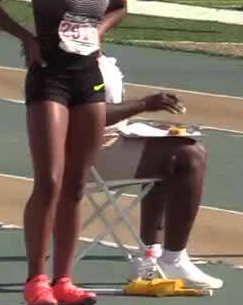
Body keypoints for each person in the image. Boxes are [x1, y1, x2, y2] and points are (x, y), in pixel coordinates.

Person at [0, 0, 126, 305]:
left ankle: (65, 279)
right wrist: (26, 38)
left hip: (87, 78)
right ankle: (35, 279)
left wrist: (99, 31)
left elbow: (120, 6)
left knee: (78, 183)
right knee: (51, 181)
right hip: (49, 77)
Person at [95, 56, 223, 289]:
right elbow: (92, 114)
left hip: (104, 145)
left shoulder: (88, 52)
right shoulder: (72, 59)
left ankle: (150, 257)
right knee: (190, 155)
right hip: (88, 157)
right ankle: (173, 259)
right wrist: (144, 104)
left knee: (165, 149)